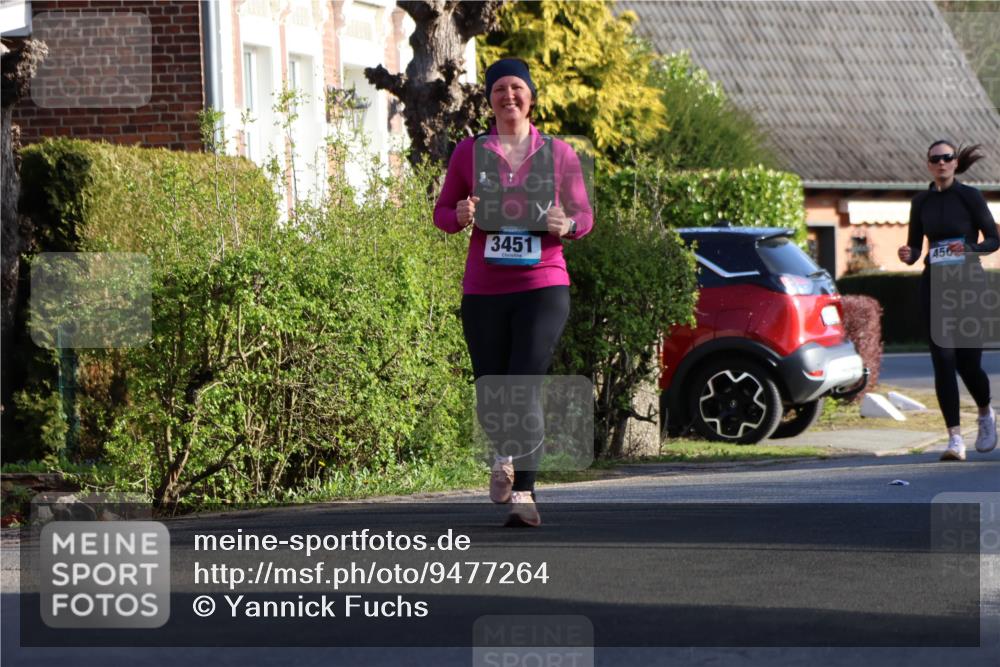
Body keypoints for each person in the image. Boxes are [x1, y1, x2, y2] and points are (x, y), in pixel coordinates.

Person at [433, 58, 593, 526]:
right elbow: (442, 213)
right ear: (489, 99)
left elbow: (584, 216)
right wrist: (460, 214)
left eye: (517, 88)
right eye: (500, 88)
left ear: (531, 97)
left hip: (543, 283)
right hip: (484, 288)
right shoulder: (469, 153)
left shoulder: (559, 154)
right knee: (490, 390)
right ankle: (503, 452)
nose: (509, 96)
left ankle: (525, 493)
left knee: (521, 386)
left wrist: (570, 224)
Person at [897, 140, 998, 461]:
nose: (941, 163)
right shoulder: (921, 202)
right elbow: (914, 248)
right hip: (935, 286)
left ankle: (985, 412)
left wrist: (970, 249)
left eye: (947, 158)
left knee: (969, 365)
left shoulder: (970, 196)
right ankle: (954, 439)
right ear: (928, 165)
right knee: (942, 361)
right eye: (935, 159)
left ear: (955, 163)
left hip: (968, 286)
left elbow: (993, 239)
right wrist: (908, 254)